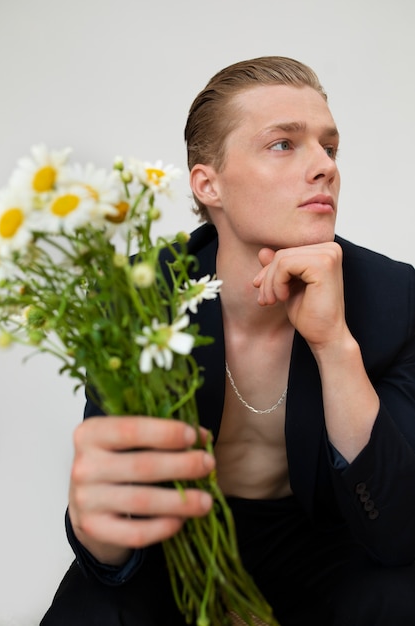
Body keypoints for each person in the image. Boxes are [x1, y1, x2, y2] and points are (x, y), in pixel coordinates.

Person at [41, 56, 415, 626]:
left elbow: (398, 531)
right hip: (182, 546)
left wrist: (334, 343)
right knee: (92, 609)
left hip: (324, 547)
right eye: (284, 145)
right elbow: (113, 525)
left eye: (330, 147)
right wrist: (98, 535)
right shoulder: (137, 299)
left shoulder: (394, 299)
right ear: (207, 183)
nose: (324, 167)